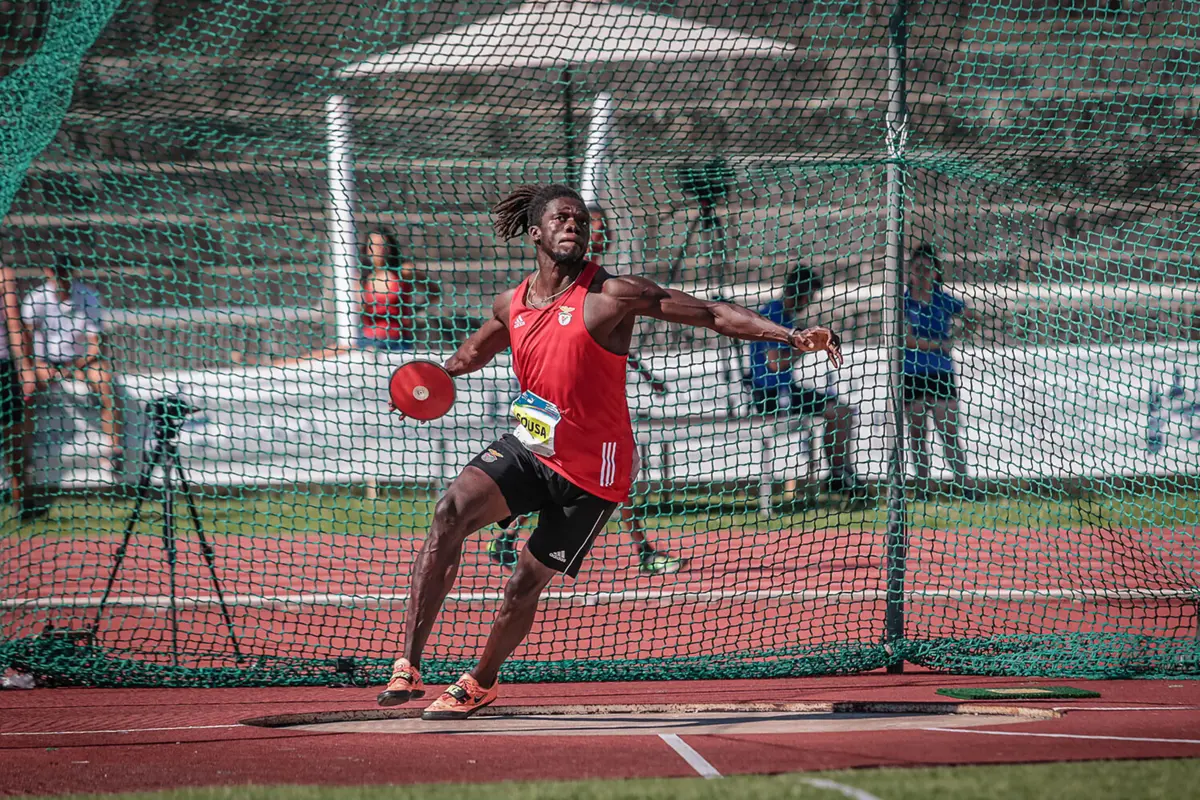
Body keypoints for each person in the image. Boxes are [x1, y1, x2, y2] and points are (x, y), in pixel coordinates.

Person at [377, 184, 843, 719]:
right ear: (537, 232)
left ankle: (481, 681)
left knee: (522, 585)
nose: (573, 225)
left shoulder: (613, 295)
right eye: (561, 218)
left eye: (580, 219)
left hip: (594, 475)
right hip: (532, 446)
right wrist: (429, 379)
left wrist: (789, 336)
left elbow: (713, 313)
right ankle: (407, 663)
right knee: (448, 512)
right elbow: (475, 351)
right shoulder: (513, 303)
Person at [486, 203, 686, 576]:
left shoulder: (600, 284)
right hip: (549, 405)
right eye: (587, 224)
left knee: (601, 473)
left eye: (594, 225)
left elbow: (599, 338)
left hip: (585, 408)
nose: (593, 231)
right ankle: (641, 550)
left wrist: (644, 375)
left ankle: (508, 539)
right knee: (559, 472)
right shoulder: (560, 277)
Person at [747, 263, 865, 503]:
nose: (809, 303)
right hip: (770, 395)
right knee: (839, 412)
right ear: (799, 292)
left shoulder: (785, 316)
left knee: (841, 412)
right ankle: (839, 475)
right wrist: (808, 347)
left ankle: (839, 474)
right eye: (809, 296)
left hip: (786, 391)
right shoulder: (774, 314)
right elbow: (775, 363)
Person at [21, 255, 122, 473]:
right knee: (25, 390)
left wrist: (77, 365)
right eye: (55, 272)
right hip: (44, 363)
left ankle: (114, 450)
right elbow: (25, 342)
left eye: (64, 272)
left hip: (80, 362)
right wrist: (35, 367)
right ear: (47, 271)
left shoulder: (88, 296)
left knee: (106, 383)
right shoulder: (36, 299)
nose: (60, 277)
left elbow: (96, 344)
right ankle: (24, 454)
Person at [904, 242, 980, 499]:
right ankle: (924, 487)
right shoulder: (903, 301)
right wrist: (940, 344)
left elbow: (972, 315)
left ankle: (965, 485)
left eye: (927, 268)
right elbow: (908, 339)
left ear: (935, 272)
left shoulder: (942, 299)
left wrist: (956, 336)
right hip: (912, 374)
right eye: (917, 268)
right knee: (917, 433)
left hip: (940, 374)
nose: (922, 273)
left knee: (947, 431)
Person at [359, 230, 441, 351]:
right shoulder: (363, 277)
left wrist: (414, 310)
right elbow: (360, 309)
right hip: (368, 340)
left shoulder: (403, 272)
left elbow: (434, 291)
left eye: (383, 245)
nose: (378, 249)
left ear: (390, 248)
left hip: (397, 340)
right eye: (374, 245)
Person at [0, 261, 35, 515]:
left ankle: (19, 499)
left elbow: (13, 321)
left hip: (2, 362)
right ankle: (19, 499)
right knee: (13, 436)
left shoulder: (3, 273)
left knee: (13, 434)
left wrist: (23, 366)